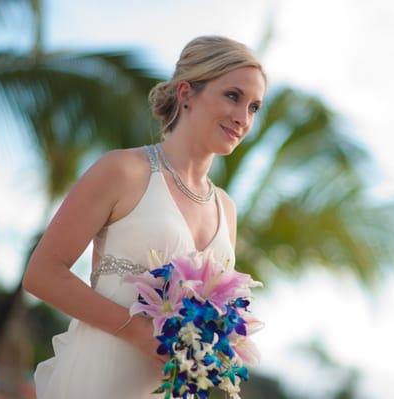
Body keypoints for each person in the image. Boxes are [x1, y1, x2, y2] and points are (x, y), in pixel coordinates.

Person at [22, 35, 267, 398]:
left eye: (253, 107)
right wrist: (135, 330)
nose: (242, 118)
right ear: (186, 93)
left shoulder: (225, 208)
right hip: (98, 378)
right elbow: (42, 274)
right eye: (233, 96)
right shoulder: (123, 170)